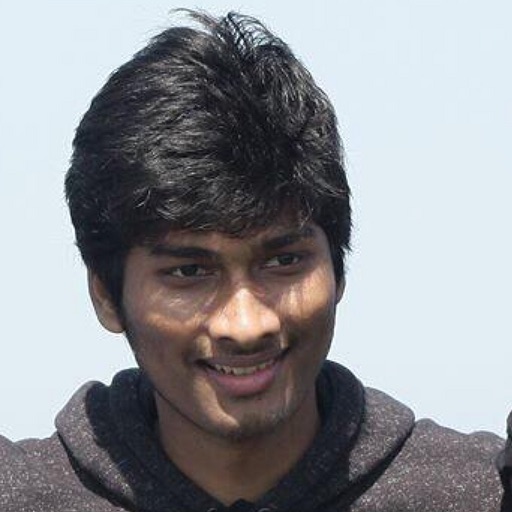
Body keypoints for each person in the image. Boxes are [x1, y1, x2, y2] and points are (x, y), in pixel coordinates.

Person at [0, 10, 510, 512]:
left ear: (338, 270)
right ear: (106, 296)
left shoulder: (482, 493)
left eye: (284, 260)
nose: (246, 326)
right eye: (189, 272)